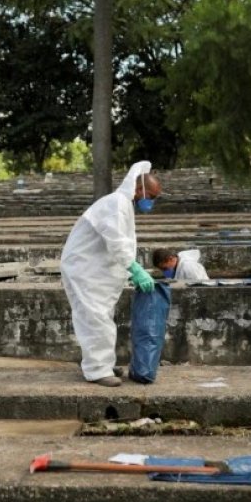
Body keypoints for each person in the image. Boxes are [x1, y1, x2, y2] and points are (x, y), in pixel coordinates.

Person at [60, 161, 161, 387]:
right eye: (151, 197)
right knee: (95, 318)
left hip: (94, 269)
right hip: (85, 268)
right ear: (139, 190)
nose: (151, 202)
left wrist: (131, 269)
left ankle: (101, 363)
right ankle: (97, 370)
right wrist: (134, 268)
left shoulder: (122, 204)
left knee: (100, 316)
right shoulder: (116, 204)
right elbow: (117, 243)